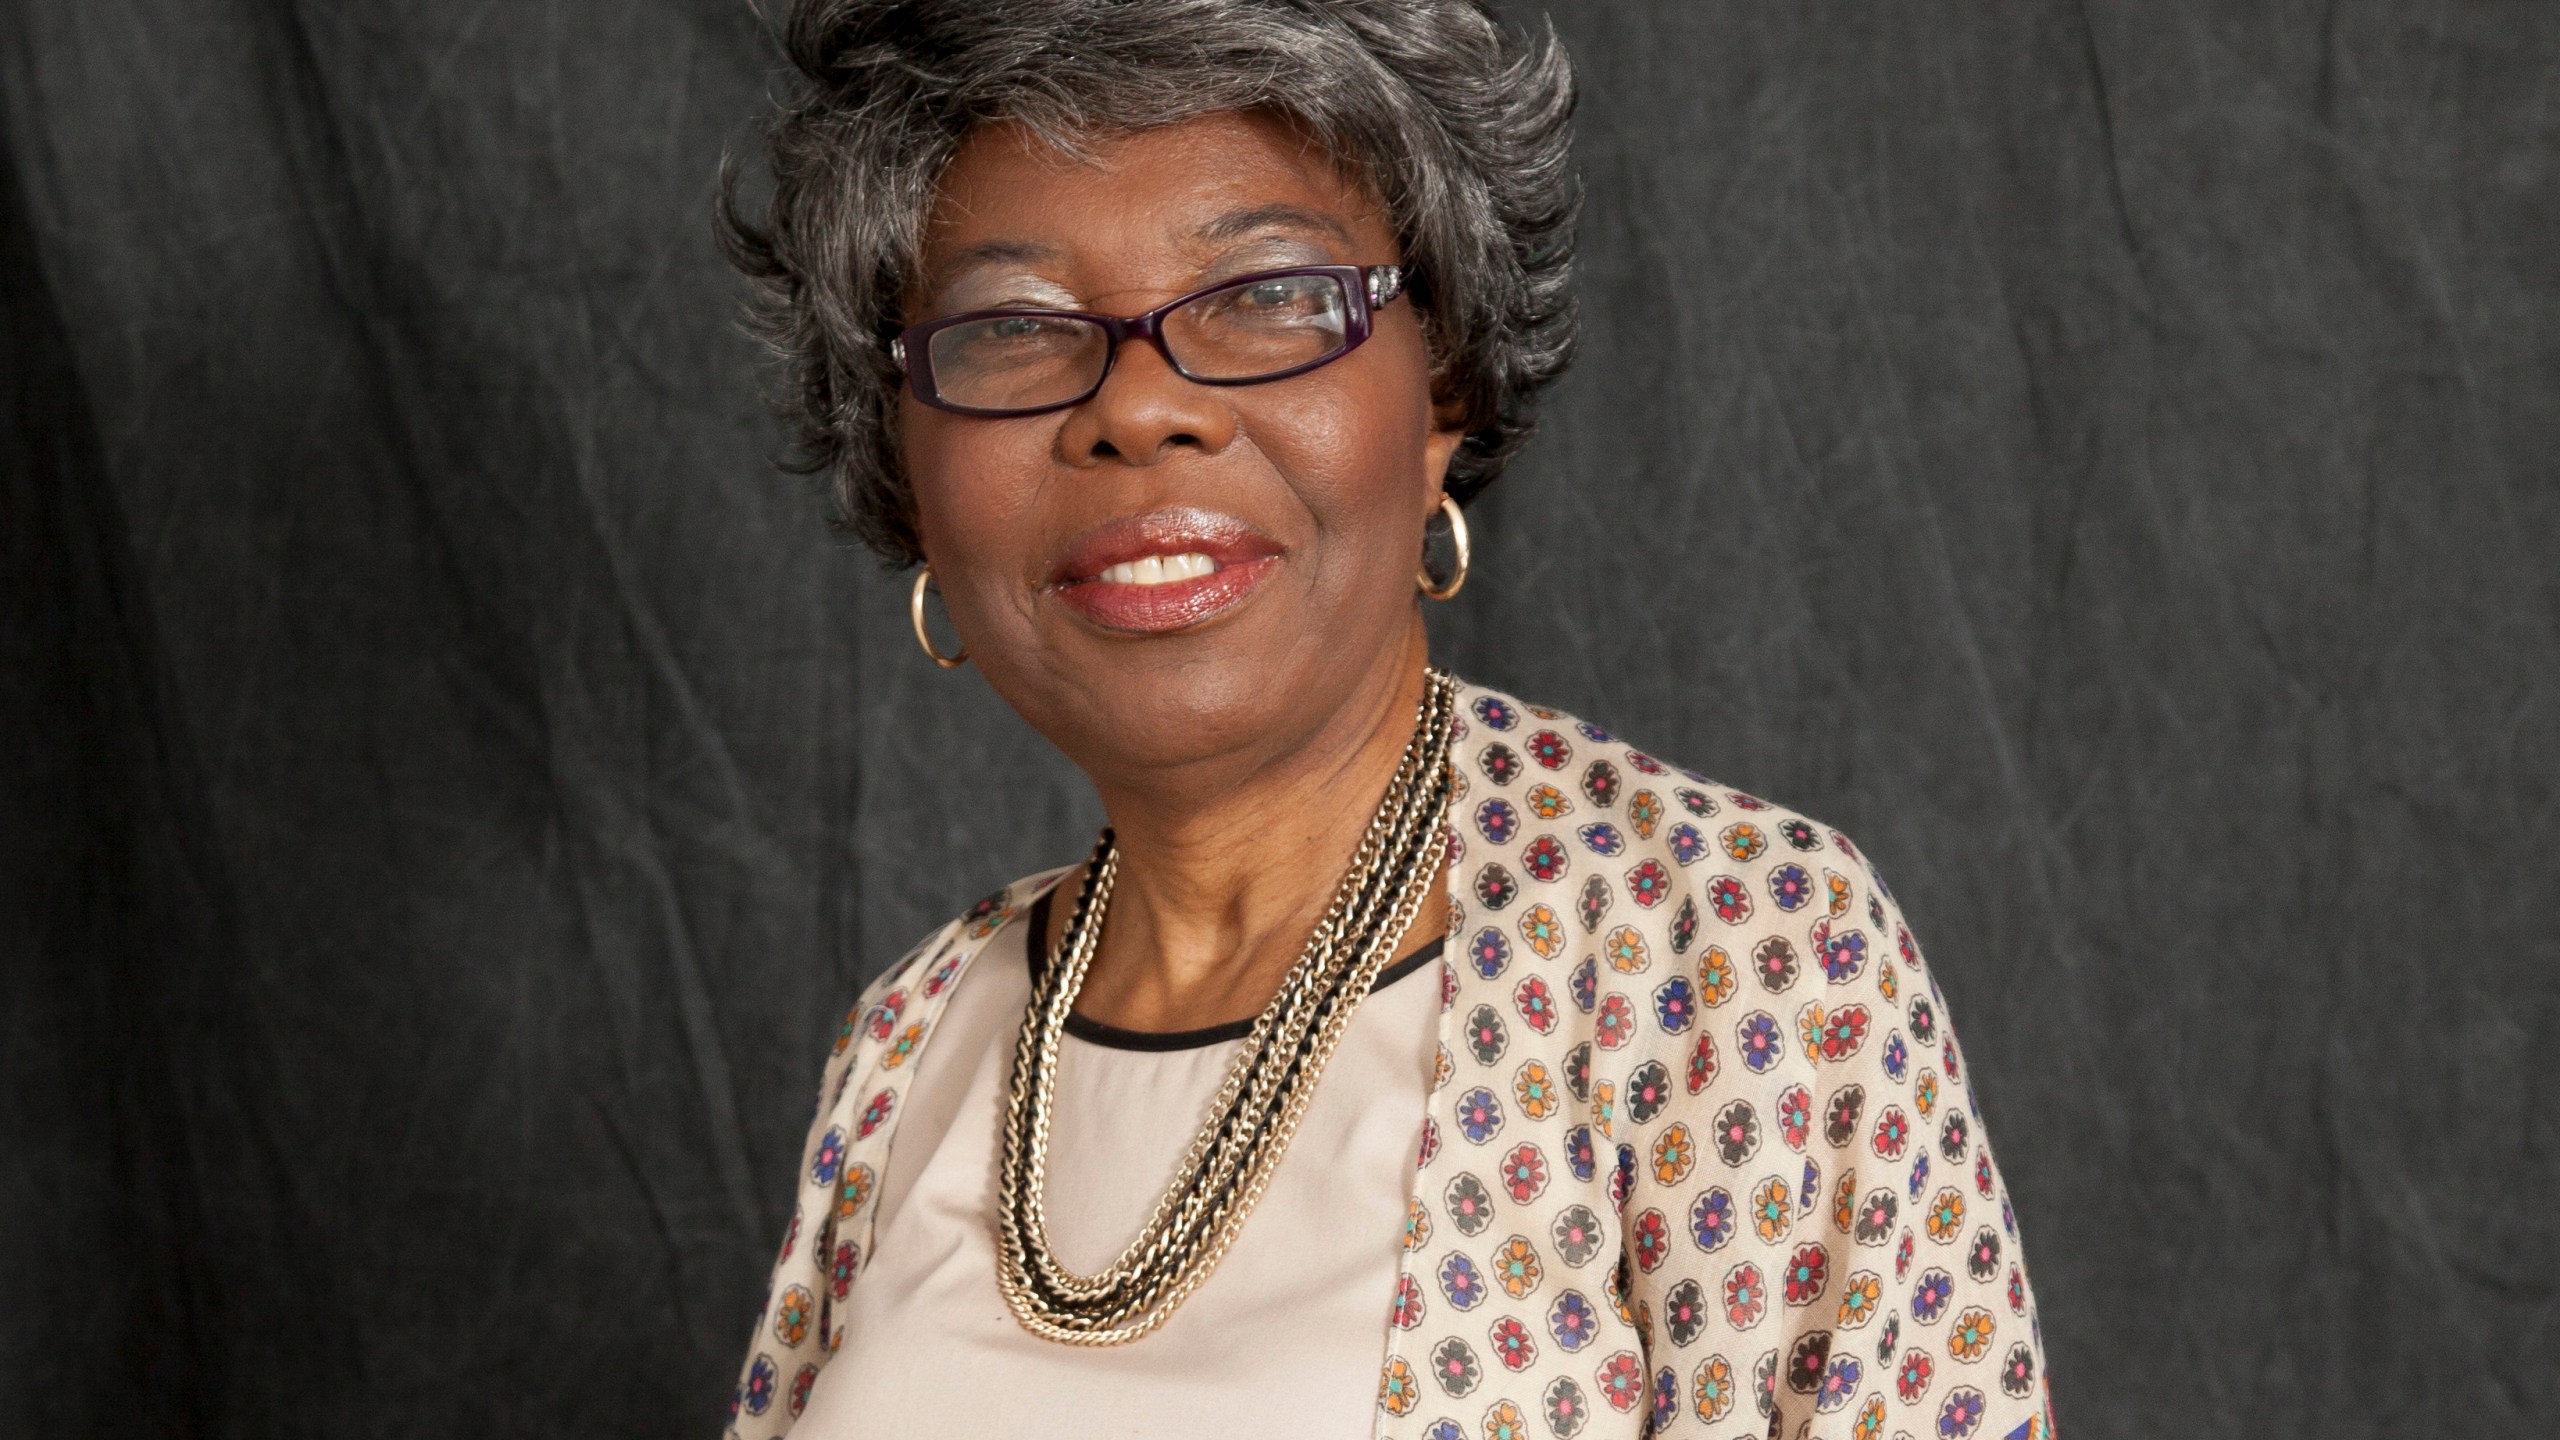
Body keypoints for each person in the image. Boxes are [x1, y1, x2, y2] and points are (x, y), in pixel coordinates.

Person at [716, 3, 2053, 1437]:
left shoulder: (1732, 959)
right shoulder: (911, 1047)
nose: (1142, 409)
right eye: (1016, 330)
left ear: (1444, 385)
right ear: (908, 468)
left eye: (1267, 295)